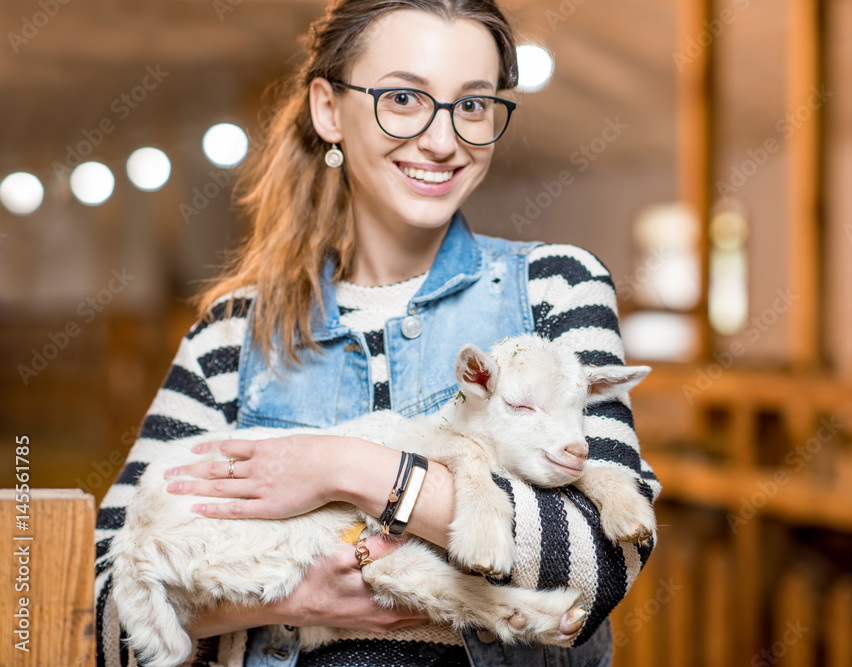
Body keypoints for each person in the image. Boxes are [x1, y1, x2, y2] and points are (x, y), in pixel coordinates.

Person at [93, 0, 661, 665]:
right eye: (403, 98)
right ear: (329, 110)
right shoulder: (231, 338)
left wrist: (351, 469)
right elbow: (99, 610)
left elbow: (603, 561)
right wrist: (290, 600)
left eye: (472, 106)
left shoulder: (556, 287)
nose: (443, 140)